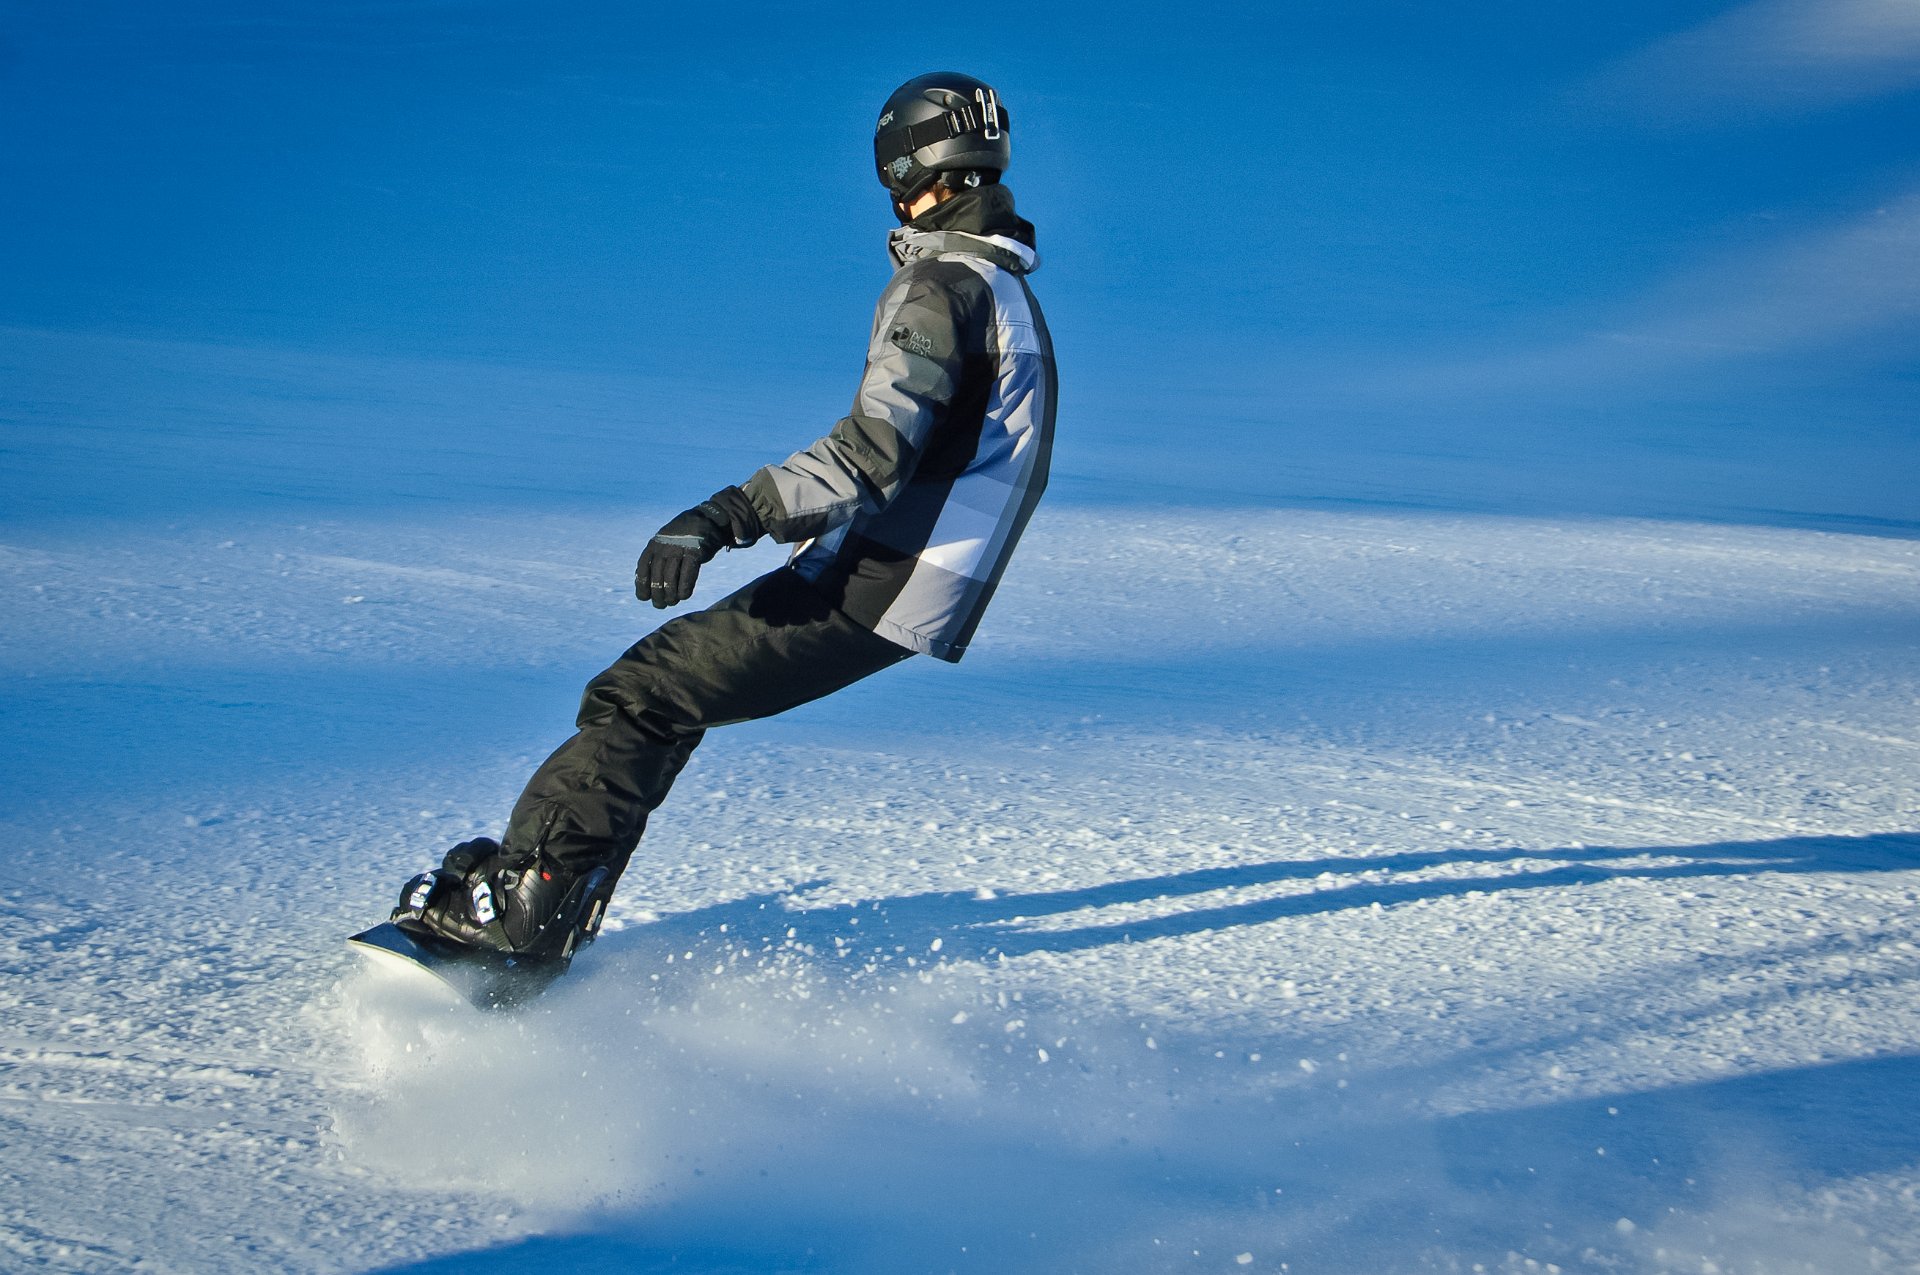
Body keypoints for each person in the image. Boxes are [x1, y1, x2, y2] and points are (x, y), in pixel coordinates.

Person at [390, 72, 1056, 964]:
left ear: (909, 168)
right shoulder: (1006, 294)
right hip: (906, 581)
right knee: (669, 698)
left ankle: (522, 916)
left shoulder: (942, 285)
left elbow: (874, 449)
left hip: (876, 579)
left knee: (640, 693)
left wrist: (723, 515)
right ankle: (554, 906)